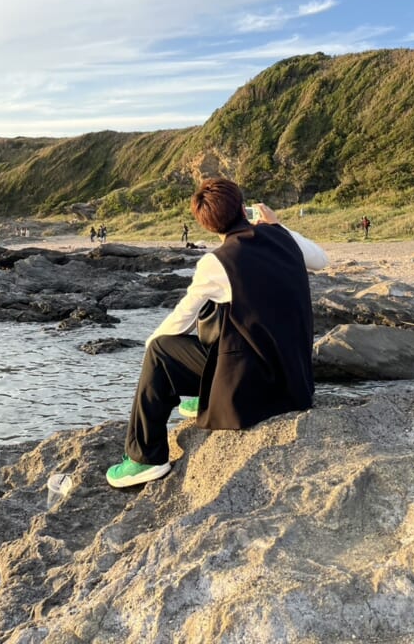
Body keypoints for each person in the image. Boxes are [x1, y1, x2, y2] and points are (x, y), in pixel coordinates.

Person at [106, 177, 329, 489]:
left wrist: (149, 346)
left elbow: (181, 318)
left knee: (161, 350)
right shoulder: (282, 239)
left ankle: (146, 458)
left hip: (258, 393)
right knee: (221, 309)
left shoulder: (219, 261)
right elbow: (321, 259)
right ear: (242, 208)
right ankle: (205, 395)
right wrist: (279, 225)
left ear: (207, 225)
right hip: (297, 385)